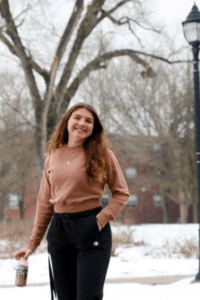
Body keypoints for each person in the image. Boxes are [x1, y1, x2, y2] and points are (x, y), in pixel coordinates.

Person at [14, 102, 129, 300]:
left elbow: (121, 193)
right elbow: (44, 203)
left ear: (94, 128)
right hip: (59, 232)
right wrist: (32, 244)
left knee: (88, 296)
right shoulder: (53, 155)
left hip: (91, 228)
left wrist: (99, 220)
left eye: (88, 121)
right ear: (67, 121)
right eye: (77, 118)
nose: (82, 123)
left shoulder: (103, 155)